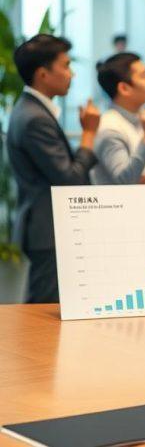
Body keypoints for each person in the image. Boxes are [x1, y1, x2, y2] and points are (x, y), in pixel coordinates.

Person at [6, 34, 101, 303]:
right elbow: (69, 178)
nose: (71, 74)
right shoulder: (35, 118)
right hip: (46, 229)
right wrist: (89, 135)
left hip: (45, 226)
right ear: (43, 74)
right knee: (43, 311)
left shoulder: (30, 110)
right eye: (66, 66)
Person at [90, 53, 145, 185]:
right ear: (124, 88)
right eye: (144, 76)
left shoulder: (140, 120)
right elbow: (125, 180)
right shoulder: (109, 127)